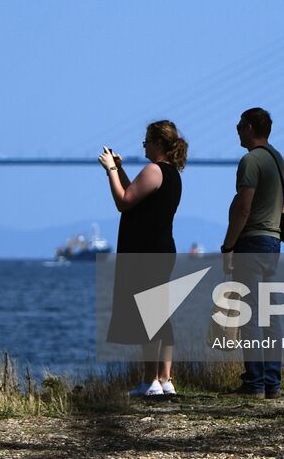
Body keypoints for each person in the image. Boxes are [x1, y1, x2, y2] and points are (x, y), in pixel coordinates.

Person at [98, 119, 187, 397]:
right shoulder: (170, 173)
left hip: (146, 251)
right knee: (162, 315)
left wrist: (110, 170)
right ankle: (165, 379)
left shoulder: (154, 170)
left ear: (159, 143)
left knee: (149, 315)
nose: (144, 145)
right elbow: (135, 196)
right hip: (161, 249)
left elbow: (123, 201)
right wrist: (121, 169)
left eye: (147, 140)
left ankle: (150, 381)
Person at [219, 106, 284, 397]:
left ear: (249, 128)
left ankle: (254, 383)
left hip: (252, 242)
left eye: (239, 125)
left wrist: (228, 246)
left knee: (249, 315)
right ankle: (272, 383)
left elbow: (243, 207)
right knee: (271, 315)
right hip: (274, 242)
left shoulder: (250, 161)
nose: (236, 129)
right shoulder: (278, 160)